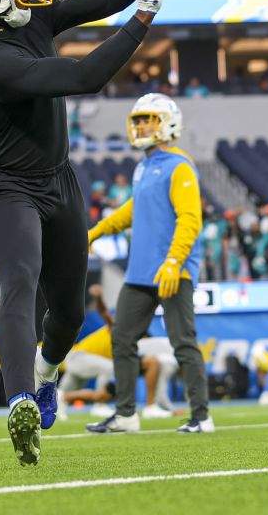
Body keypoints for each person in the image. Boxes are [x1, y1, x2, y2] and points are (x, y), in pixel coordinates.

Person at [0, 0, 183, 466]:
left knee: (71, 314)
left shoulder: (24, 18)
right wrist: (143, 15)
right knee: (20, 283)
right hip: (11, 190)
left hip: (60, 180)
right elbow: (83, 78)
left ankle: (46, 373)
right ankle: (19, 401)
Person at [85, 94, 212, 435]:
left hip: (174, 270)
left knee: (183, 341)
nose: (141, 126)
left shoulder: (180, 165)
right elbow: (133, 209)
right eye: (139, 120)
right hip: (141, 272)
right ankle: (126, 414)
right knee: (122, 338)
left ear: (169, 122)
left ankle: (202, 417)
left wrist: (173, 262)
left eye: (149, 119)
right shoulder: (144, 166)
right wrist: (97, 230)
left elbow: (190, 220)